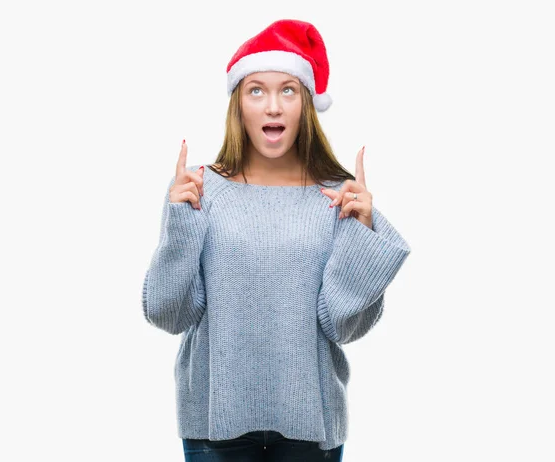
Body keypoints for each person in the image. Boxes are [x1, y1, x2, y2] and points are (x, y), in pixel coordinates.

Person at [142, 18, 412, 462]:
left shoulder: (337, 197)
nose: (272, 106)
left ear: (305, 103)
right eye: (256, 91)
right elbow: (168, 314)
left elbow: (343, 325)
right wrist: (179, 225)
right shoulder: (199, 191)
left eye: (287, 90)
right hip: (214, 426)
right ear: (239, 105)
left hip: (311, 427)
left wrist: (363, 238)